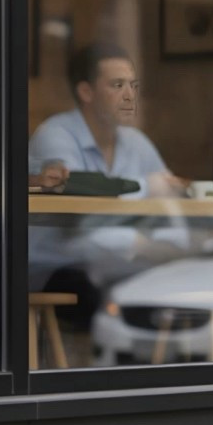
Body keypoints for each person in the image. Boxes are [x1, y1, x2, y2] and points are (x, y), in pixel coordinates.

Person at [28, 43, 186, 332]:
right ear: (86, 92)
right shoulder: (55, 135)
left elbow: (169, 202)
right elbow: (76, 221)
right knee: (129, 297)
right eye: (117, 85)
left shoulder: (137, 142)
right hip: (54, 267)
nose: (129, 95)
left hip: (117, 264)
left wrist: (175, 244)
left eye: (133, 85)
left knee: (181, 288)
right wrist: (145, 196)